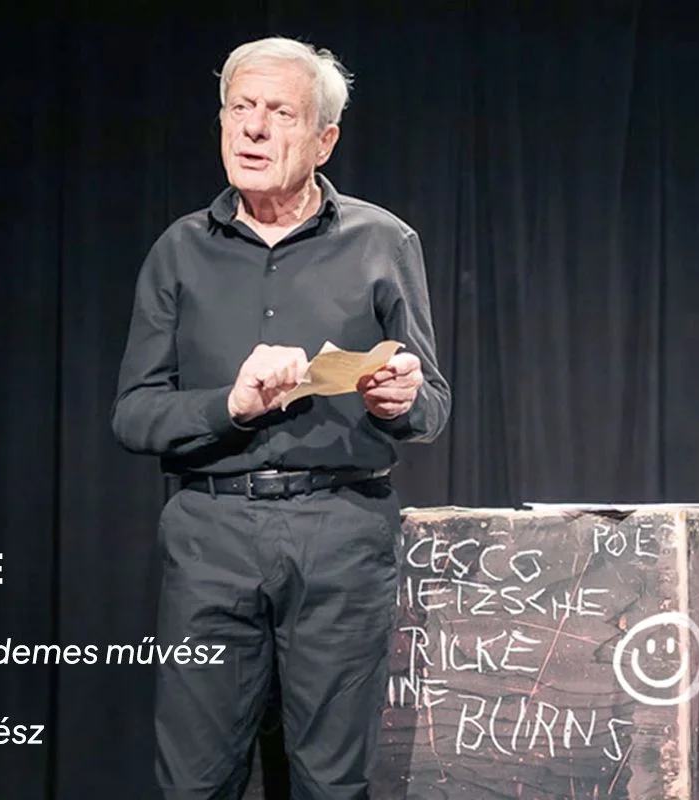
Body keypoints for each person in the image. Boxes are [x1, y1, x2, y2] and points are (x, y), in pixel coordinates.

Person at [110, 36, 451, 799]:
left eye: (279, 112)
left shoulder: (382, 241)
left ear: (325, 140)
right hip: (211, 535)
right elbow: (133, 414)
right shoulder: (179, 251)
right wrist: (228, 406)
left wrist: (403, 401)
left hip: (340, 532)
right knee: (196, 781)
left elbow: (432, 401)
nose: (254, 128)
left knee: (332, 782)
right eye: (240, 108)